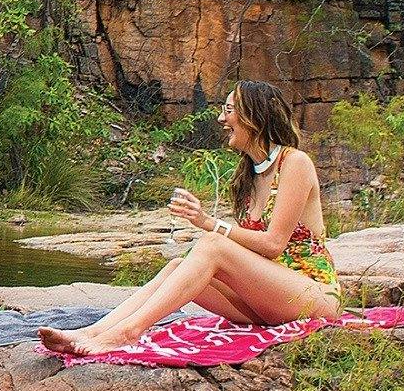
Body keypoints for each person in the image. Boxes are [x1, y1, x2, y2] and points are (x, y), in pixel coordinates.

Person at [41, 79, 343, 358]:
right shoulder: (251, 175)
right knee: (177, 265)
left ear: (256, 115)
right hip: (269, 298)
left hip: (311, 296)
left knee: (212, 245)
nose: (221, 120)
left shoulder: (295, 163)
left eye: (228, 110)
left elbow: (274, 244)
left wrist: (209, 223)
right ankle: (92, 332)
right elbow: (250, 251)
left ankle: (126, 333)